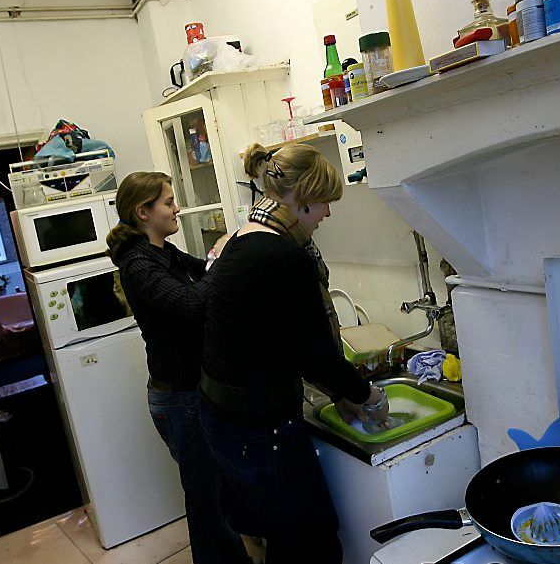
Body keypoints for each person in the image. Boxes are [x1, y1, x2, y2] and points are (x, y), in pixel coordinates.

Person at [198, 144, 390, 564]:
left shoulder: (243, 237)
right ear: (303, 196)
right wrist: (368, 394)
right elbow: (317, 354)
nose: (327, 213)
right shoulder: (285, 256)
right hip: (259, 428)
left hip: (220, 416)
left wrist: (338, 388)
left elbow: (275, 335)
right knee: (312, 543)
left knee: (279, 536)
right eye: (325, 202)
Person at [106, 172, 249, 564]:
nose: (177, 208)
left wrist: (232, 246)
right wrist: (220, 256)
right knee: (206, 498)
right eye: (168, 202)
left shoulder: (162, 253)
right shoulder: (138, 263)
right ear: (143, 211)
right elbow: (191, 303)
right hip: (179, 398)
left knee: (215, 492)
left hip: (192, 390)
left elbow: (204, 273)